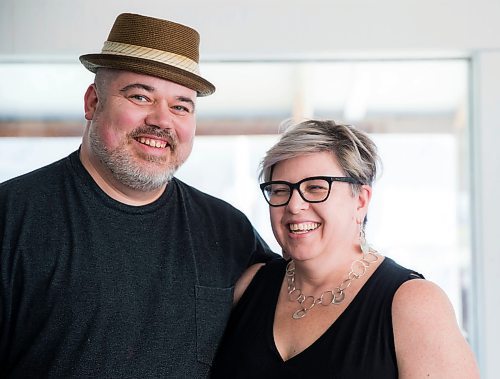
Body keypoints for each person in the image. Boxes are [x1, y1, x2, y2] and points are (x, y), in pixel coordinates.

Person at [0, 13, 276, 377]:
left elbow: (310, 299)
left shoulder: (227, 230)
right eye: (141, 96)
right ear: (92, 102)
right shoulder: (12, 216)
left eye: (180, 106)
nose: (162, 120)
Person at [210, 119, 480, 378]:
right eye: (280, 190)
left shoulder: (415, 304)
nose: (294, 205)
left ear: (360, 200)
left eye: (315, 187)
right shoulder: (250, 286)